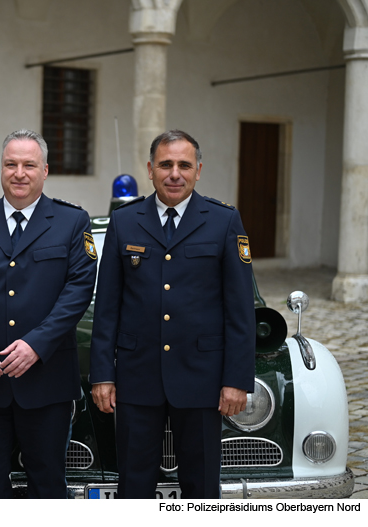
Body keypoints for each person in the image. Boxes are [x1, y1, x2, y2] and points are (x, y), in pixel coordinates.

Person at [89, 129, 255, 499]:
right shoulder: (126, 221)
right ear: (150, 169)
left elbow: (240, 309)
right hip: (137, 378)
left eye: (183, 165)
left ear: (198, 169)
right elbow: (108, 307)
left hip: (202, 380)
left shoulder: (223, 221)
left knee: (200, 486)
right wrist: (103, 373)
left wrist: (237, 379)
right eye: (165, 164)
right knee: (134, 485)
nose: (174, 173)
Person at [0, 129, 97, 498]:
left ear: (45, 170)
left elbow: (78, 290)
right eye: (11, 164)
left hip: (47, 379)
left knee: (47, 485)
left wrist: (36, 345)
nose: (19, 173)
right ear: (1, 169)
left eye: (29, 165)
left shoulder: (72, 222)